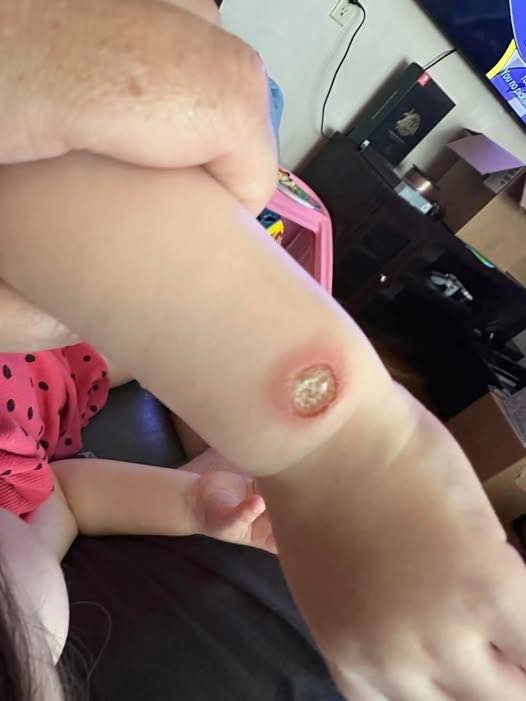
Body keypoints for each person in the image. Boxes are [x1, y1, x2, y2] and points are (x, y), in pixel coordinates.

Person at [1, 3, 526, 701]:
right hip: (78, 359)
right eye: (49, 666)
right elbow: (63, 496)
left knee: (224, 110)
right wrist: (192, 508)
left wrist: (348, 453)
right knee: (253, 119)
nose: (43, 641)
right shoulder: (22, 540)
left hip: (66, 258)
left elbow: (33, 174)